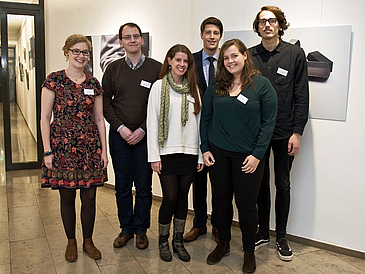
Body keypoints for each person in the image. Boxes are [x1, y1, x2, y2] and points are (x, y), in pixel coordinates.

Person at [201, 39, 277, 273]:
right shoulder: (216, 85)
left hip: (249, 157)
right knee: (221, 202)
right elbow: (205, 119)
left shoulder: (261, 85)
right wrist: (205, 148)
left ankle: (248, 251)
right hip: (218, 155)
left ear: (245, 56)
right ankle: (223, 243)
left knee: (246, 206)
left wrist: (257, 155)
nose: (230, 61)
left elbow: (268, 122)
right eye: (226, 58)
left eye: (234, 56)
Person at [40, 34, 108, 262]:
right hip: (62, 148)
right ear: (67, 52)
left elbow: (99, 120)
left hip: (89, 150)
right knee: (67, 198)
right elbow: (44, 117)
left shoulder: (93, 83)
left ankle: (88, 241)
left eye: (85, 52)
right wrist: (47, 150)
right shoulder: (54, 80)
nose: (81, 56)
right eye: (76, 51)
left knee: (89, 198)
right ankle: (72, 241)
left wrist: (104, 151)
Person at [249, 6, 309, 262]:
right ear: (258, 26)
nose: (267, 25)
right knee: (260, 183)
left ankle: (281, 236)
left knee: (282, 184)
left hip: (285, 132)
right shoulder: (249, 56)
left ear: (280, 25)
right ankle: (263, 231)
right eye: (262, 21)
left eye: (272, 21)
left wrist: (297, 132)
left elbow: (301, 96)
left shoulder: (295, 54)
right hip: (257, 133)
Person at [102, 23, 162, 250]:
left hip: (146, 136)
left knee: (144, 187)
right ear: (121, 42)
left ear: (142, 40)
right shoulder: (112, 69)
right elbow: (105, 102)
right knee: (123, 186)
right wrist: (120, 128)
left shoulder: (157, 69)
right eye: (127, 37)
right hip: (120, 137)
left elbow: (160, 104)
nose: (132, 40)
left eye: (136, 36)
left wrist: (143, 129)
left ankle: (141, 230)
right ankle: (126, 228)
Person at [147, 44, 204, 262]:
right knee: (169, 197)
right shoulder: (158, 87)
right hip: (166, 153)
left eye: (185, 61)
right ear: (169, 61)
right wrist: (154, 155)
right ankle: (163, 240)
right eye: (177, 60)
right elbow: (152, 122)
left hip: (189, 152)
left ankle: (177, 241)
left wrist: (199, 155)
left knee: (182, 198)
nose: (181, 64)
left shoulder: (193, 89)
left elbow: (198, 124)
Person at [183, 17, 223, 244]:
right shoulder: (191, 61)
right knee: (198, 181)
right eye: (208, 32)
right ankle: (199, 224)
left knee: (219, 183)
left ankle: (217, 224)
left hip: (220, 131)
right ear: (201, 35)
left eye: (215, 33)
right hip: (196, 128)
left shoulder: (227, 61)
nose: (211, 36)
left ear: (220, 36)